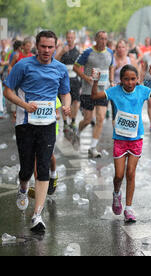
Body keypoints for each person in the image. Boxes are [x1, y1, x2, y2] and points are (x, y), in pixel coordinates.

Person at [3, 30, 71, 232]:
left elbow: (65, 93)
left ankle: (37, 215)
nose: (47, 51)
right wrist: (23, 105)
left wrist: (66, 105)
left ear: (55, 47)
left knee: (42, 167)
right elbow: (7, 90)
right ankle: (23, 188)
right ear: (36, 46)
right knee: (25, 168)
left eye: (51, 47)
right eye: (43, 46)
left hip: (48, 124)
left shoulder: (60, 69)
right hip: (25, 123)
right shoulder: (23, 65)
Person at [91, 64, 151, 222]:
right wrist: (95, 81)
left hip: (136, 138)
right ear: (121, 80)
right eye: (126, 79)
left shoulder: (142, 90)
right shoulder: (114, 91)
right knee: (119, 175)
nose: (130, 82)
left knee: (131, 173)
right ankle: (116, 193)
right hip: (119, 138)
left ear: (137, 79)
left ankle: (129, 208)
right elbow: (94, 97)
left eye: (133, 79)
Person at [73, 31, 114, 158]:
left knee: (101, 118)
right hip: (88, 90)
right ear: (96, 39)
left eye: (105, 39)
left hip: (103, 90)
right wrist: (86, 78)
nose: (103, 41)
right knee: (87, 120)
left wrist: (111, 80)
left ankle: (92, 147)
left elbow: (111, 66)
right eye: (101, 38)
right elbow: (76, 67)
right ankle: (77, 132)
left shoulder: (110, 52)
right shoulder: (87, 52)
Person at [55, 30, 81, 134]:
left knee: (75, 101)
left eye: (71, 37)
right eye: (68, 37)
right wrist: (62, 52)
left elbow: (81, 65)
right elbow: (55, 61)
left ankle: (73, 121)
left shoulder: (78, 50)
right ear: (66, 38)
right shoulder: (62, 48)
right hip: (63, 78)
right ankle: (65, 122)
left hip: (74, 78)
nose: (69, 39)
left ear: (74, 38)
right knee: (63, 101)